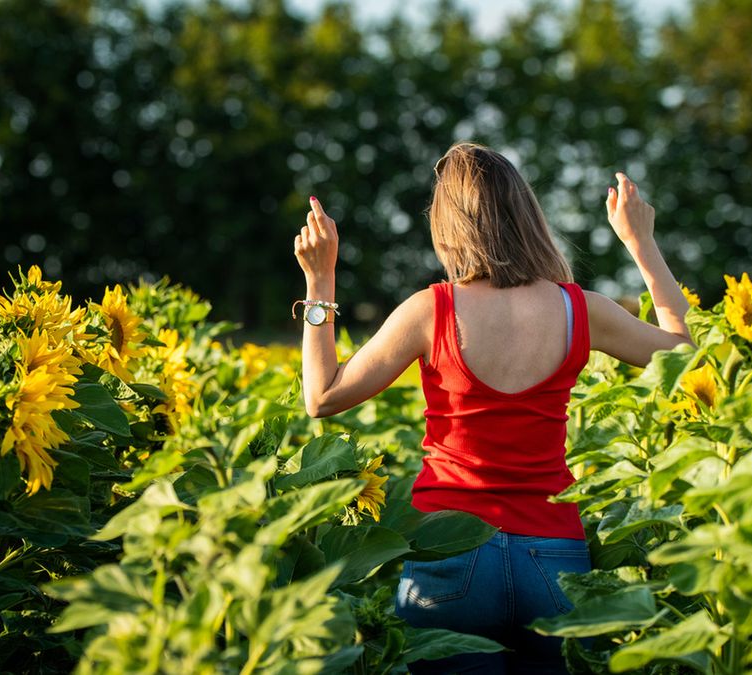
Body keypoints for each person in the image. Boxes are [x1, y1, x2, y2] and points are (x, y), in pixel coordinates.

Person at [292, 141, 693, 674]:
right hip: (554, 560)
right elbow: (686, 358)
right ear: (526, 214)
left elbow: (322, 397)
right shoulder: (582, 309)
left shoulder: (429, 311)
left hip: (448, 554)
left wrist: (319, 282)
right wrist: (641, 244)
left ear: (447, 224)